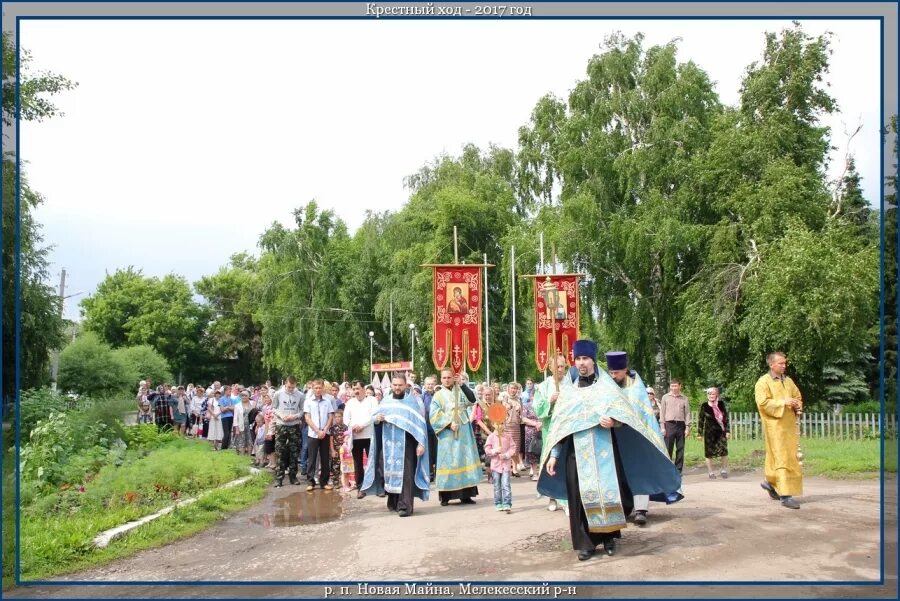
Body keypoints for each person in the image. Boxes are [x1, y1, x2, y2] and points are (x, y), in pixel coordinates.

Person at [538, 340, 682, 561]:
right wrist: (555, 455)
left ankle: (608, 538)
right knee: (579, 498)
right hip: (576, 452)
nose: (581, 363)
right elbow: (560, 426)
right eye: (577, 359)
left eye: (585, 358)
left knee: (608, 494)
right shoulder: (568, 391)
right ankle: (585, 544)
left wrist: (614, 421)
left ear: (593, 360)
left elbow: (626, 417)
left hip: (604, 448)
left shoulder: (608, 387)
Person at [605, 350, 678, 527]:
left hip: (637, 436)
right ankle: (622, 507)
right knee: (617, 472)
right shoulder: (607, 385)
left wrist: (616, 421)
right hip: (614, 436)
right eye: (611, 373)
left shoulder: (635, 386)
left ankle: (641, 510)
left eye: (617, 373)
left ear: (625, 369)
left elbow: (637, 412)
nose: (614, 376)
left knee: (639, 470)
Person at [361, 376, 430, 517]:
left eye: (400, 385)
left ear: (405, 385)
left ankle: (405, 506)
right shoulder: (386, 401)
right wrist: (377, 419)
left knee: (406, 475)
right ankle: (393, 501)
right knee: (386, 472)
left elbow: (419, 424)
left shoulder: (412, 402)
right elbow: (374, 418)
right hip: (388, 445)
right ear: (391, 385)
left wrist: (421, 443)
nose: (397, 387)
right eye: (395, 385)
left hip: (406, 444)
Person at [755, 352, 803, 509]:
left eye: (785, 363)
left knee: (789, 457)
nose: (784, 366)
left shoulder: (788, 381)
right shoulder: (763, 382)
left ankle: (770, 482)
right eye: (781, 363)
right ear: (771, 365)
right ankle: (786, 496)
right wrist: (783, 402)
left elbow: (797, 396)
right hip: (775, 426)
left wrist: (797, 404)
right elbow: (763, 403)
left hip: (788, 426)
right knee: (781, 457)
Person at [430, 369, 481, 506]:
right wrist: (447, 424)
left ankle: (467, 495)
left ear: (453, 378)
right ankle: (446, 496)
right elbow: (434, 415)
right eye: (444, 377)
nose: (447, 379)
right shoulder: (438, 396)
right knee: (449, 462)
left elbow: (472, 400)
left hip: (463, 430)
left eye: (449, 377)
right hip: (448, 433)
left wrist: (463, 385)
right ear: (441, 379)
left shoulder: (460, 390)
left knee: (464, 460)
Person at [532, 354, 569, 513]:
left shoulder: (571, 383)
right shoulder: (543, 387)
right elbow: (537, 408)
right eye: (557, 366)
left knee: (567, 461)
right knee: (551, 461)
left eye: (562, 366)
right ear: (550, 368)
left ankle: (567, 499)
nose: (560, 369)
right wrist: (550, 401)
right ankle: (552, 497)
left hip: (567, 427)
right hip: (551, 428)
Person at [344, 380, 377, 498]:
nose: (356, 391)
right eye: (354, 389)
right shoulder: (350, 403)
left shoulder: (372, 400)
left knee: (373, 461)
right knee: (358, 463)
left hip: (369, 435)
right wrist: (353, 426)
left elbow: (374, 415)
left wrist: (362, 425)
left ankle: (376, 486)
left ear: (363, 388)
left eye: (357, 388)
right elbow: (345, 419)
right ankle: (360, 487)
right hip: (356, 436)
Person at [272, 375, 305, 488]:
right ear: (285, 383)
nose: (290, 389)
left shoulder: (300, 395)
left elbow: (302, 410)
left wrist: (295, 416)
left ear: (296, 385)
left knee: (294, 451)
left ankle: (293, 476)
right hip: (281, 425)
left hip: (294, 425)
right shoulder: (278, 394)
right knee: (280, 451)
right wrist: (281, 415)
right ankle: (279, 478)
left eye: (293, 387)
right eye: (289, 387)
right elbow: (274, 408)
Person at [304, 379, 335, 491]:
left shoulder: (327, 401)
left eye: (319, 388)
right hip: (313, 433)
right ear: (312, 388)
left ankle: (324, 482)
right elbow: (307, 417)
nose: (318, 390)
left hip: (325, 433)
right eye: (316, 388)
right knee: (312, 458)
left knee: (325, 458)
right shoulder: (308, 401)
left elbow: (330, 416)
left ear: (323, 388)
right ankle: (311, 482)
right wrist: (317, 431)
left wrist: (325, 429)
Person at [698, 386, 730, 479]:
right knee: (709, 453)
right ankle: (711, 472)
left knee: (723, 451)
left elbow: (726, 418)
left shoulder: (721, 404)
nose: (711, 395)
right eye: (709, 394)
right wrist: (699, 434)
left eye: (713, 394)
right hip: (709, 433)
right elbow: (701, 420)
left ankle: (723, 470)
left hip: (721, 432)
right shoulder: (704, 405)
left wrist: (728, 431)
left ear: (717, 395)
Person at [659, 379, 690, 473]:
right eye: (672, 386)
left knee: (680, 448)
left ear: (680, 386)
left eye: (675, 386)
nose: (673, 388)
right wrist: (662, 427)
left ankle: (678, 470)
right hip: (669, 424)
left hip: (680, 425)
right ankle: (667, 469)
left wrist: (687, 427)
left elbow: (687, 413)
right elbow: (662, 412)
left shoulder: (684, 398)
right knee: (668, 448)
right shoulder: (665, 397)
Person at [484, 421, 516, 513]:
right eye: (497, 423)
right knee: (497, 485)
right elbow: (487, 449)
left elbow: (513, 448)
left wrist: (506, 455)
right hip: (495, 465)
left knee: (506, 484)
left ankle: (507, 503)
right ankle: (498, 503)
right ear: (493, 424)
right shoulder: (491, 437)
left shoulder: (507, 436)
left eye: (501, 423)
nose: (499, 425)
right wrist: (494, 451)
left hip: (505, 465)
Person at [329, 409, 351, 491]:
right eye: (336, 417)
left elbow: (348, 438)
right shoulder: (332, 428)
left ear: (342, 417)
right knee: (336, 467)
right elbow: (331, 440)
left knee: (346, 466)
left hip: (344, 451)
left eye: (339, 416)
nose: (337, 418)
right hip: (336, 450)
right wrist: (332, 450)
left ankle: (345, 482)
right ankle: (335, 481)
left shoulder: (346, 427)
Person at [422, 375, 438, 482]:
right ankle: (430, 473)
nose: (430, 386)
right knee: (428, 452)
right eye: (428, 384)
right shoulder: (422, 397)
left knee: (437, 451)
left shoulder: (438, 396)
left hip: (437, 429)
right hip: (426, 428)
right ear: (425, 385)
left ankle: (439, 472)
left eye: (432, 384)